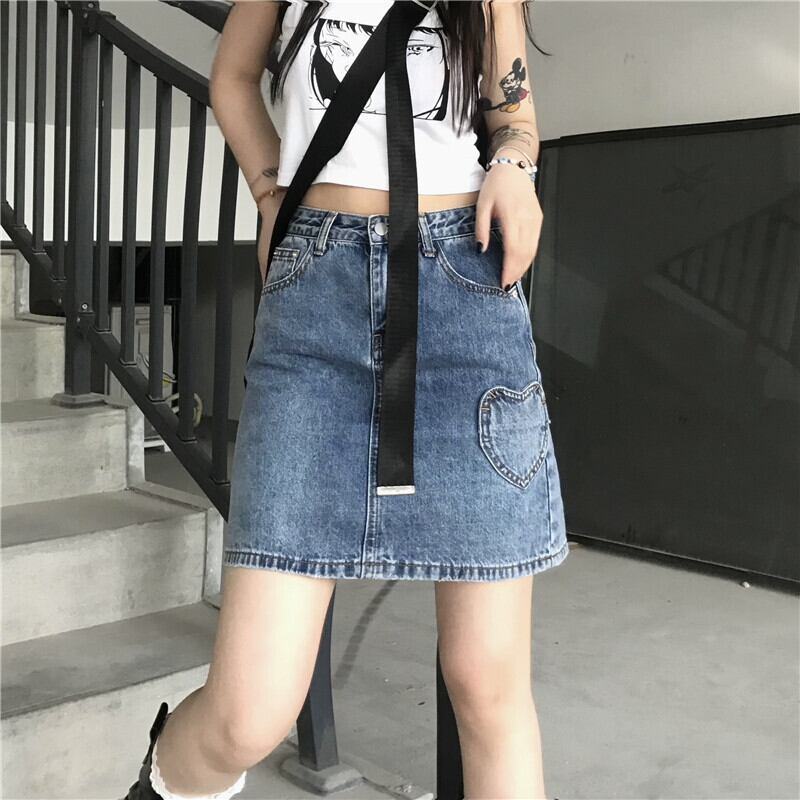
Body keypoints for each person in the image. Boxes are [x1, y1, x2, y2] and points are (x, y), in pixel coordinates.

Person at [125, 1, 569, 798]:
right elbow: (233, 78)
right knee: (247, 716)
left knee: (487, 686)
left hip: (465, 294)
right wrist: (270, 192)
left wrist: (514, 165)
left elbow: (514, 115)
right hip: (313, 310)